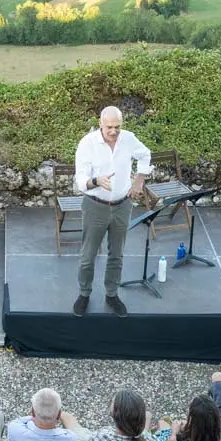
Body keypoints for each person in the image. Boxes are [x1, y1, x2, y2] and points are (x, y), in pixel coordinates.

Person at [72, 105, 152, 317]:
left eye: (117, 127)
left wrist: (139, 181)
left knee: (117, 255)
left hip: (122, 205)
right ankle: (84, 293)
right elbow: (80, 180)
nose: (114, 132)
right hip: (95, 205)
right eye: (109, 127)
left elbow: (145, 155)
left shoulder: (128, 139)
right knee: (88, 256)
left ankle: (112, 294)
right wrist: (96, 180)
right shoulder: (88, 144)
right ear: (100, 124)